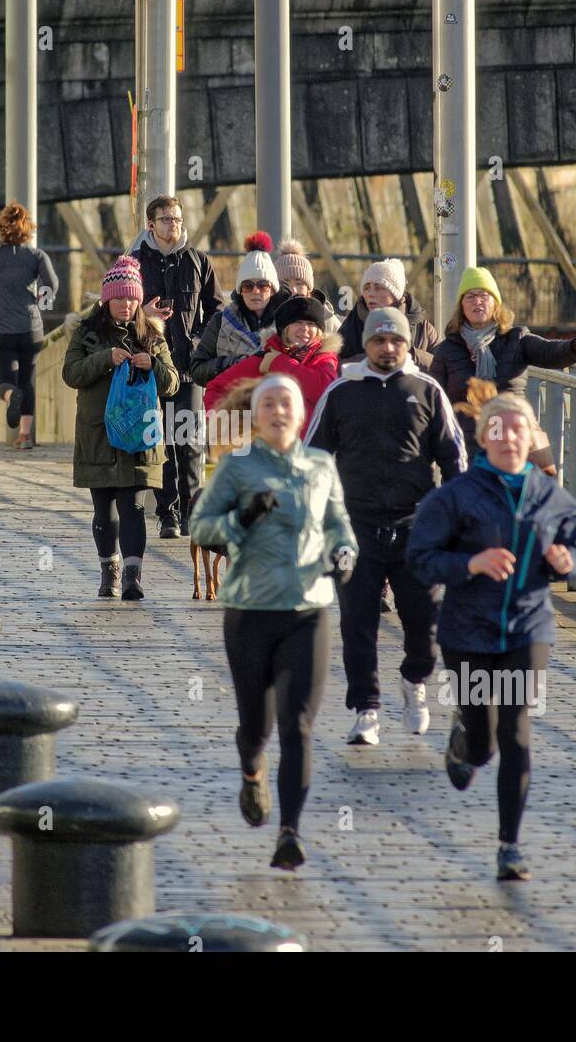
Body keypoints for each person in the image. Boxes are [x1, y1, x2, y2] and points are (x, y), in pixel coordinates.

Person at [407, 393, 576, 882]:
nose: (508, 436)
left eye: (518, 429)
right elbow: (420, 558)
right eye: (498, 429)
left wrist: (568, 561)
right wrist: (470, 564)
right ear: (483, 437)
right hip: (467, 631)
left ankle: (509, 845)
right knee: (484, 742)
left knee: (515, 733)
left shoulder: (550, 493)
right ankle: (464, 738)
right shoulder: (456, 495)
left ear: (532, 437)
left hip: (527, 629)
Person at [191, 373, 357, 871]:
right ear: (256, 416)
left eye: (287, 403)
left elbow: (337, 523)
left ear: (301, 414)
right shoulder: (237, 466)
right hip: (249, 609)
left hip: (308, 609)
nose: (279, 411)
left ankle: (290, 831)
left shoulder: (321, 465)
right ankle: (250, 771)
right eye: (269, 405)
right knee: (256, 725)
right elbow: (201, 526)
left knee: (298, 726)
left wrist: (345, 552)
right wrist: (240, 520)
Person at [306, 306, 468, 746]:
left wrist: (457, 521)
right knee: (357, 623)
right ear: (368, 344)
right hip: (355, 524)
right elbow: (313, 458)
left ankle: (415, 681)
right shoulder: (343, 390)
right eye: (379, 340)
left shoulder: (427, 390)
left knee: (425, 623)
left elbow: (455, 459)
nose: (387, 347)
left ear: (406, 343)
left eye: (395, 340)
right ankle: (366, 710)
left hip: (418, 525)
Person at [62, 255, 180, 601]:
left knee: (135, 508)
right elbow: (71, 374)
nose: (126, 304)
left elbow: (172, 383)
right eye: (119, 298)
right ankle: (108, 569)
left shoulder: (152, 335)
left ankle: (132, 576)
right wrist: (104, 359)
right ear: (106, 299)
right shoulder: (86, 333)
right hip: (98, 435)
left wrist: (153, 364)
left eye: (132, 298)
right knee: (104, 510)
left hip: (140, 437)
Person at [430, 266, 576, 449]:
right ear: (461, 306)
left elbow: (550, 352)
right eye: (470, 296)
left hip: (513, 443)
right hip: (466, 447)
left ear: (496, 303)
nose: (477, 301)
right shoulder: (448, 349)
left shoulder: (516, 339)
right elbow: (433, 399)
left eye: (484, 295)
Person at [130, 195, 221, 539]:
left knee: (190, 440)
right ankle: (166, 512)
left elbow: (216, 309)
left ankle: (191, 511)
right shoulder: (135, 262)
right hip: (149, 365)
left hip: (188, 367)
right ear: (151, 225)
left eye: (179, 219)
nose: (174, 225)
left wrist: (199, 339)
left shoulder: (198, 262)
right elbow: (115, 309)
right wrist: (144, 315)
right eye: (167, 219)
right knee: (160, 439)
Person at [0, 201, 59, 450]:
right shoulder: (37, 255)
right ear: (28, 230)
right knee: (27, 378)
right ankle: (25, 436)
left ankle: (12, 397)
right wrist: (41, 299)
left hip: (2, 329)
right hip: (31, 329)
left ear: (1, 228)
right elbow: (50, 284)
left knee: (5, 381)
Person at [201, 295, 341, 430]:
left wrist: (278, 363)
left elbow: (325, 392)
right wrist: (232, 431)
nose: (304, 328)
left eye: (311, 324)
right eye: (297, 322)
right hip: (265, 449)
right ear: (284, 329)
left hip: (310, 450)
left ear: (319, 331)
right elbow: (216, 389)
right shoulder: (262, 360)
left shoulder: (324, 358)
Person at [190, 231, 290, 388]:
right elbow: (197, 370)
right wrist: (229, 363)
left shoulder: (287, 323)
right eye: (248, 286)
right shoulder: (220, 322)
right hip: (232, 407)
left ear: (272, 290)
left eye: (263, 285)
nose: (255, 291)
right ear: (240, 290)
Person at [338, 258, 440, 366]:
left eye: (378, 288)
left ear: (395, 294)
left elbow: (442, 366)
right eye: (367, 288)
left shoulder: (423, 328)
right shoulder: (351, 325)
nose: (370, 294)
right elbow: (335, 367)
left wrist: (409, 356)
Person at [275, 237, 341, 335]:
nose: (293, 290)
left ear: (309, 289)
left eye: (299, 283)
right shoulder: (267, 319)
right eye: (286, 283)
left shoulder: (328, 321)